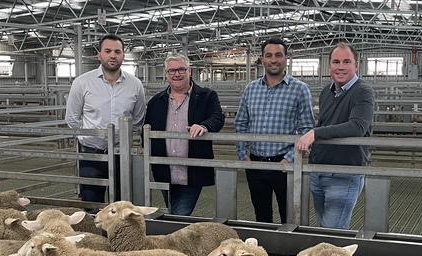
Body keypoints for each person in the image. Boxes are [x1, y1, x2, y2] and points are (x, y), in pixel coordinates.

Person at [234, 38, 314, 223]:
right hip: (255, 162)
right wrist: (242, 155)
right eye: (268, 55)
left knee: (289, 216)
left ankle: (288, 250)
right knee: (261, 215)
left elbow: (307, 128)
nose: (273, 60)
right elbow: (241, 123)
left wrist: (290, 158)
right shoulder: (251, 89)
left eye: (278, 55)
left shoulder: (300, 89)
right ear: (262, 59)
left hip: (284, 164)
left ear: (286, 58)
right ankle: (263, 251)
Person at [296, 42, 374, 229]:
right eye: (336, 61)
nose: (340, 67)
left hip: (344, 172)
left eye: (346, 61)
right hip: (319, 170)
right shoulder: (326, 92)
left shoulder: (363, 91)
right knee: (324, 227)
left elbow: (357, 127)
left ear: (356, 65)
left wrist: (315, 133)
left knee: (332, 233)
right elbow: (326, 123)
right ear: (329, 65)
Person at [65, 34, 146, 204]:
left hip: (120, 154)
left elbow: (138, 119)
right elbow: (72, 119)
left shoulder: (135, 85)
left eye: (117, 51)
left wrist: (121, 139)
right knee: (91, 203)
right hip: (91, 153)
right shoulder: (82, 83)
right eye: (107, 51)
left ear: (123, 55)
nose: (113, 55)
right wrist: (91, 135)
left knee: (122, 206)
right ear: (99, 55)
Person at [144, 54, 225, 215]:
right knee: (173, 210)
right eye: (171, 70)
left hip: (192, 170)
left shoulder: (207, 96)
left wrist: (204, 125)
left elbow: (218, 117)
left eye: (181, 69)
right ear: (166, 74)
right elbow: (146, 130)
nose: (176, 74)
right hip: (164, 170)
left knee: (179, 214)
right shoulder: (156, 101)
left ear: (190, 71)